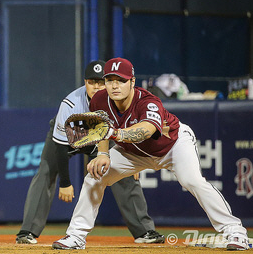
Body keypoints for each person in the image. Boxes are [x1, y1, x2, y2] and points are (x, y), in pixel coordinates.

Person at [52, 57, 249, 251]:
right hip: (133, 153)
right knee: (95, 177)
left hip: (173, 146)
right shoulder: (99, 100)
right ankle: (76, 236)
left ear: (132, 82)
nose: (115, 85)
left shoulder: (148, 101)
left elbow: (146, 130)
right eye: (110, 80)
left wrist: (116, 133)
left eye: (121, 80)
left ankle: (235, 231)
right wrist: (103, 154)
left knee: (193, 181)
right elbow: (102, 128)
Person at [16, 61, 164, 245]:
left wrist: (133, 161)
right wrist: (65, 183)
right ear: (85, 82)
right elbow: (61, 147)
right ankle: (28, 231)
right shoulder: (71, 104)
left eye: (101, 82)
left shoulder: (120, 99)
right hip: (70, 136)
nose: (97, 87)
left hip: (100, 138)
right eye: (92, 82)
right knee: (45, 171)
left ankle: (145, 232)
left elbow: (128, 129)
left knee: (124, 176)